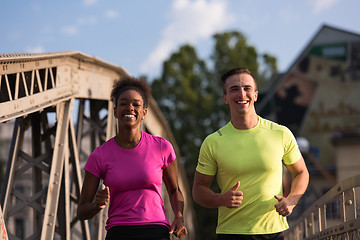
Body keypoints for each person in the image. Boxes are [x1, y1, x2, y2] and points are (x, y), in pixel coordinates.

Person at [192, 67, 309, 240]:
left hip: (273, 232)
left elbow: (301, 172)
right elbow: (198, 190)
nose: (241, 94)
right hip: (231, 233)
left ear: (255, 94)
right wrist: (221, 199)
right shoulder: (213, 142)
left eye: (247, 88)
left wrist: (292, 200)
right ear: (225, 98)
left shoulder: (281, 133)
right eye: (234, 89)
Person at [77, 77, 188, 240]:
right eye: (123, 103)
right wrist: (96, 205)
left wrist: (178, 214)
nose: (130, 107)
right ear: (115, 111)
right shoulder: (100, 155)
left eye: (136, 104)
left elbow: (174, 190)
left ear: (144, 113)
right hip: (119, 232)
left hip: (156, 231)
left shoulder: (162, 147)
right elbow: (81, 211)